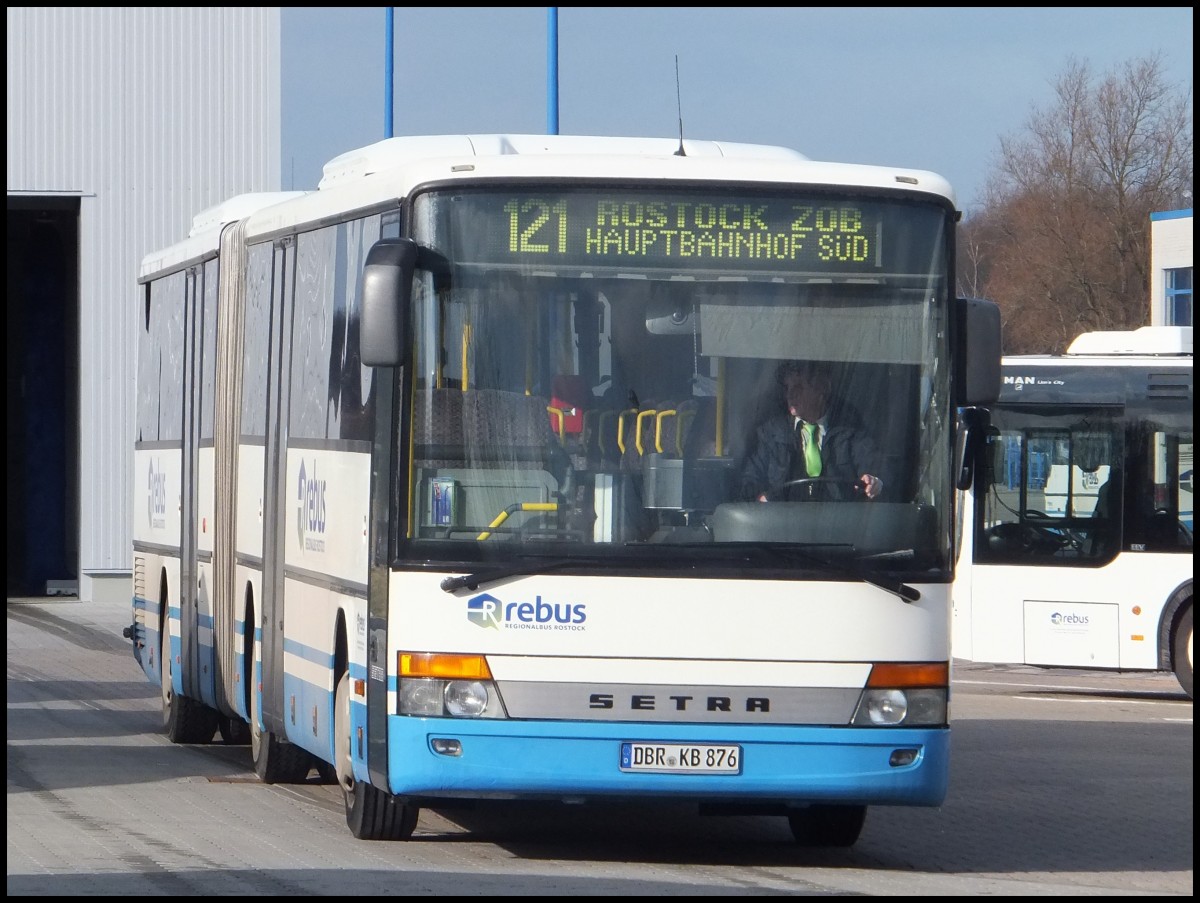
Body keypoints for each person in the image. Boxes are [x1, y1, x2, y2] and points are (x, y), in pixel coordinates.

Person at [739, 361, 885, 502]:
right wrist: (759, 497)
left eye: (798, 387)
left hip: (837, 523)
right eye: (787, 388)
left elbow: (875, 467)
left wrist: (873, 480)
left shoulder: (850, 430)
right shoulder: (770, 433)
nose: (790, 395)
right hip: (783, 523)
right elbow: (749, 480)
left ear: (822, 388)